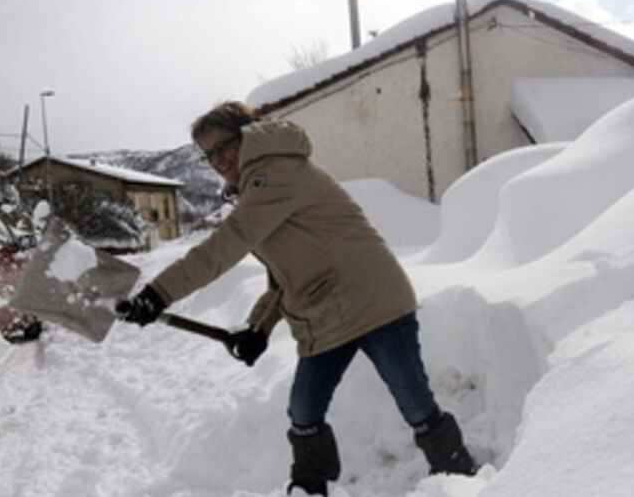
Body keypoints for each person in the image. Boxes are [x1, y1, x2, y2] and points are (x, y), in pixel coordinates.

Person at [118, 102, 476, 496]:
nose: (218, 160)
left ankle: (460, 476)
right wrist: (259, 328)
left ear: (247, 134)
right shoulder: (258, 186)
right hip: (325, 316)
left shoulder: (274, 173)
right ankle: (310, 487)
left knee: (415, 403)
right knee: (303, 411)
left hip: (375, 304)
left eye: (224, 146)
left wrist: (158, 294)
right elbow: (281, 279)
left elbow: (225, 245)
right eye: (210, 154)